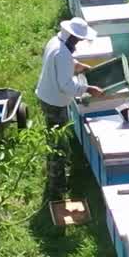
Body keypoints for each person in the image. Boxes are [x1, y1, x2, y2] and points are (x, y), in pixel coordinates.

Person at [35, 15, 102, 200]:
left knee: (55, 139)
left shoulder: (54, 42)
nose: (79, 43)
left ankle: (55, 179)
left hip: (47, 96)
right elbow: (66, 86)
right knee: (59, 146)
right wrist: (88, 89)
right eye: (79, 39)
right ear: (71, 36)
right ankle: (56, 189)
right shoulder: (62, 53)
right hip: (55, 103)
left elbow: (61, 64)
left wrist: (77, 66)